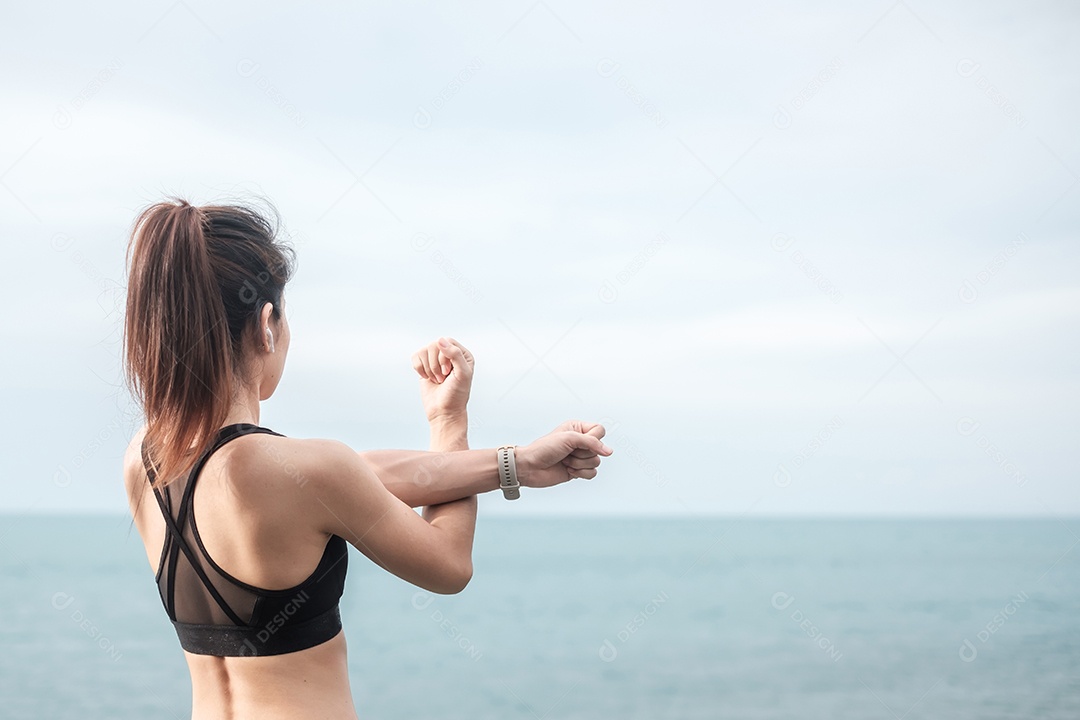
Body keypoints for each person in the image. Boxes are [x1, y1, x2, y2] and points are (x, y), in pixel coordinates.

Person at [120, 197, 614, 720]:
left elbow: (358, 477)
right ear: (267, 323)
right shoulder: (304, 475)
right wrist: (449, 421)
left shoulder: (144, 461)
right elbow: (449, 565)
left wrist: (515, 463)